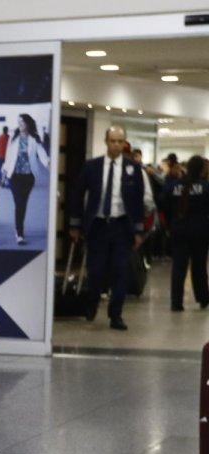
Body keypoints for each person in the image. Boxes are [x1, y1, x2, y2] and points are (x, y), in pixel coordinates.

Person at [67, 125, 155, 330]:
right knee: (96, 270)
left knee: (121, 271)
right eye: (113, 141)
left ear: (124, 143)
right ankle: (92, 301)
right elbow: (78, 195)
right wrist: (75, 224)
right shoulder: (92, 166)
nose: (116, 145)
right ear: (106, 141)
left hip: (122, 226)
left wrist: (139, 231)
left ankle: (116, 314)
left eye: (120, 141)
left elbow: (138, 201)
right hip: (98, 226)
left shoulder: (133, 169)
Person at [165, 155, 209, 311]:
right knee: (199, 266)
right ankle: (203, 297)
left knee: (178, 267)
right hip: (200, 231)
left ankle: (176, 302)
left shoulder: (174, 186)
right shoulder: (205, 187)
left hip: (179, 230)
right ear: (201, 170)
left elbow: (163, 204)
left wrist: (170, 224)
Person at [0, 113, 50, 246]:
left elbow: (42, 155)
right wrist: (4, 173)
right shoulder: (13, 137)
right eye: (19, 122)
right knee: (19, 203)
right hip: (14, 176)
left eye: (22, 122)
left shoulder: (34, 138)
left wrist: (49, 165)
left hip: (28, 177)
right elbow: (8, 156)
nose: (20, 124)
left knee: (22, 203)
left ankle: (18, 229)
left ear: (28, 123)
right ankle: (19, 233)